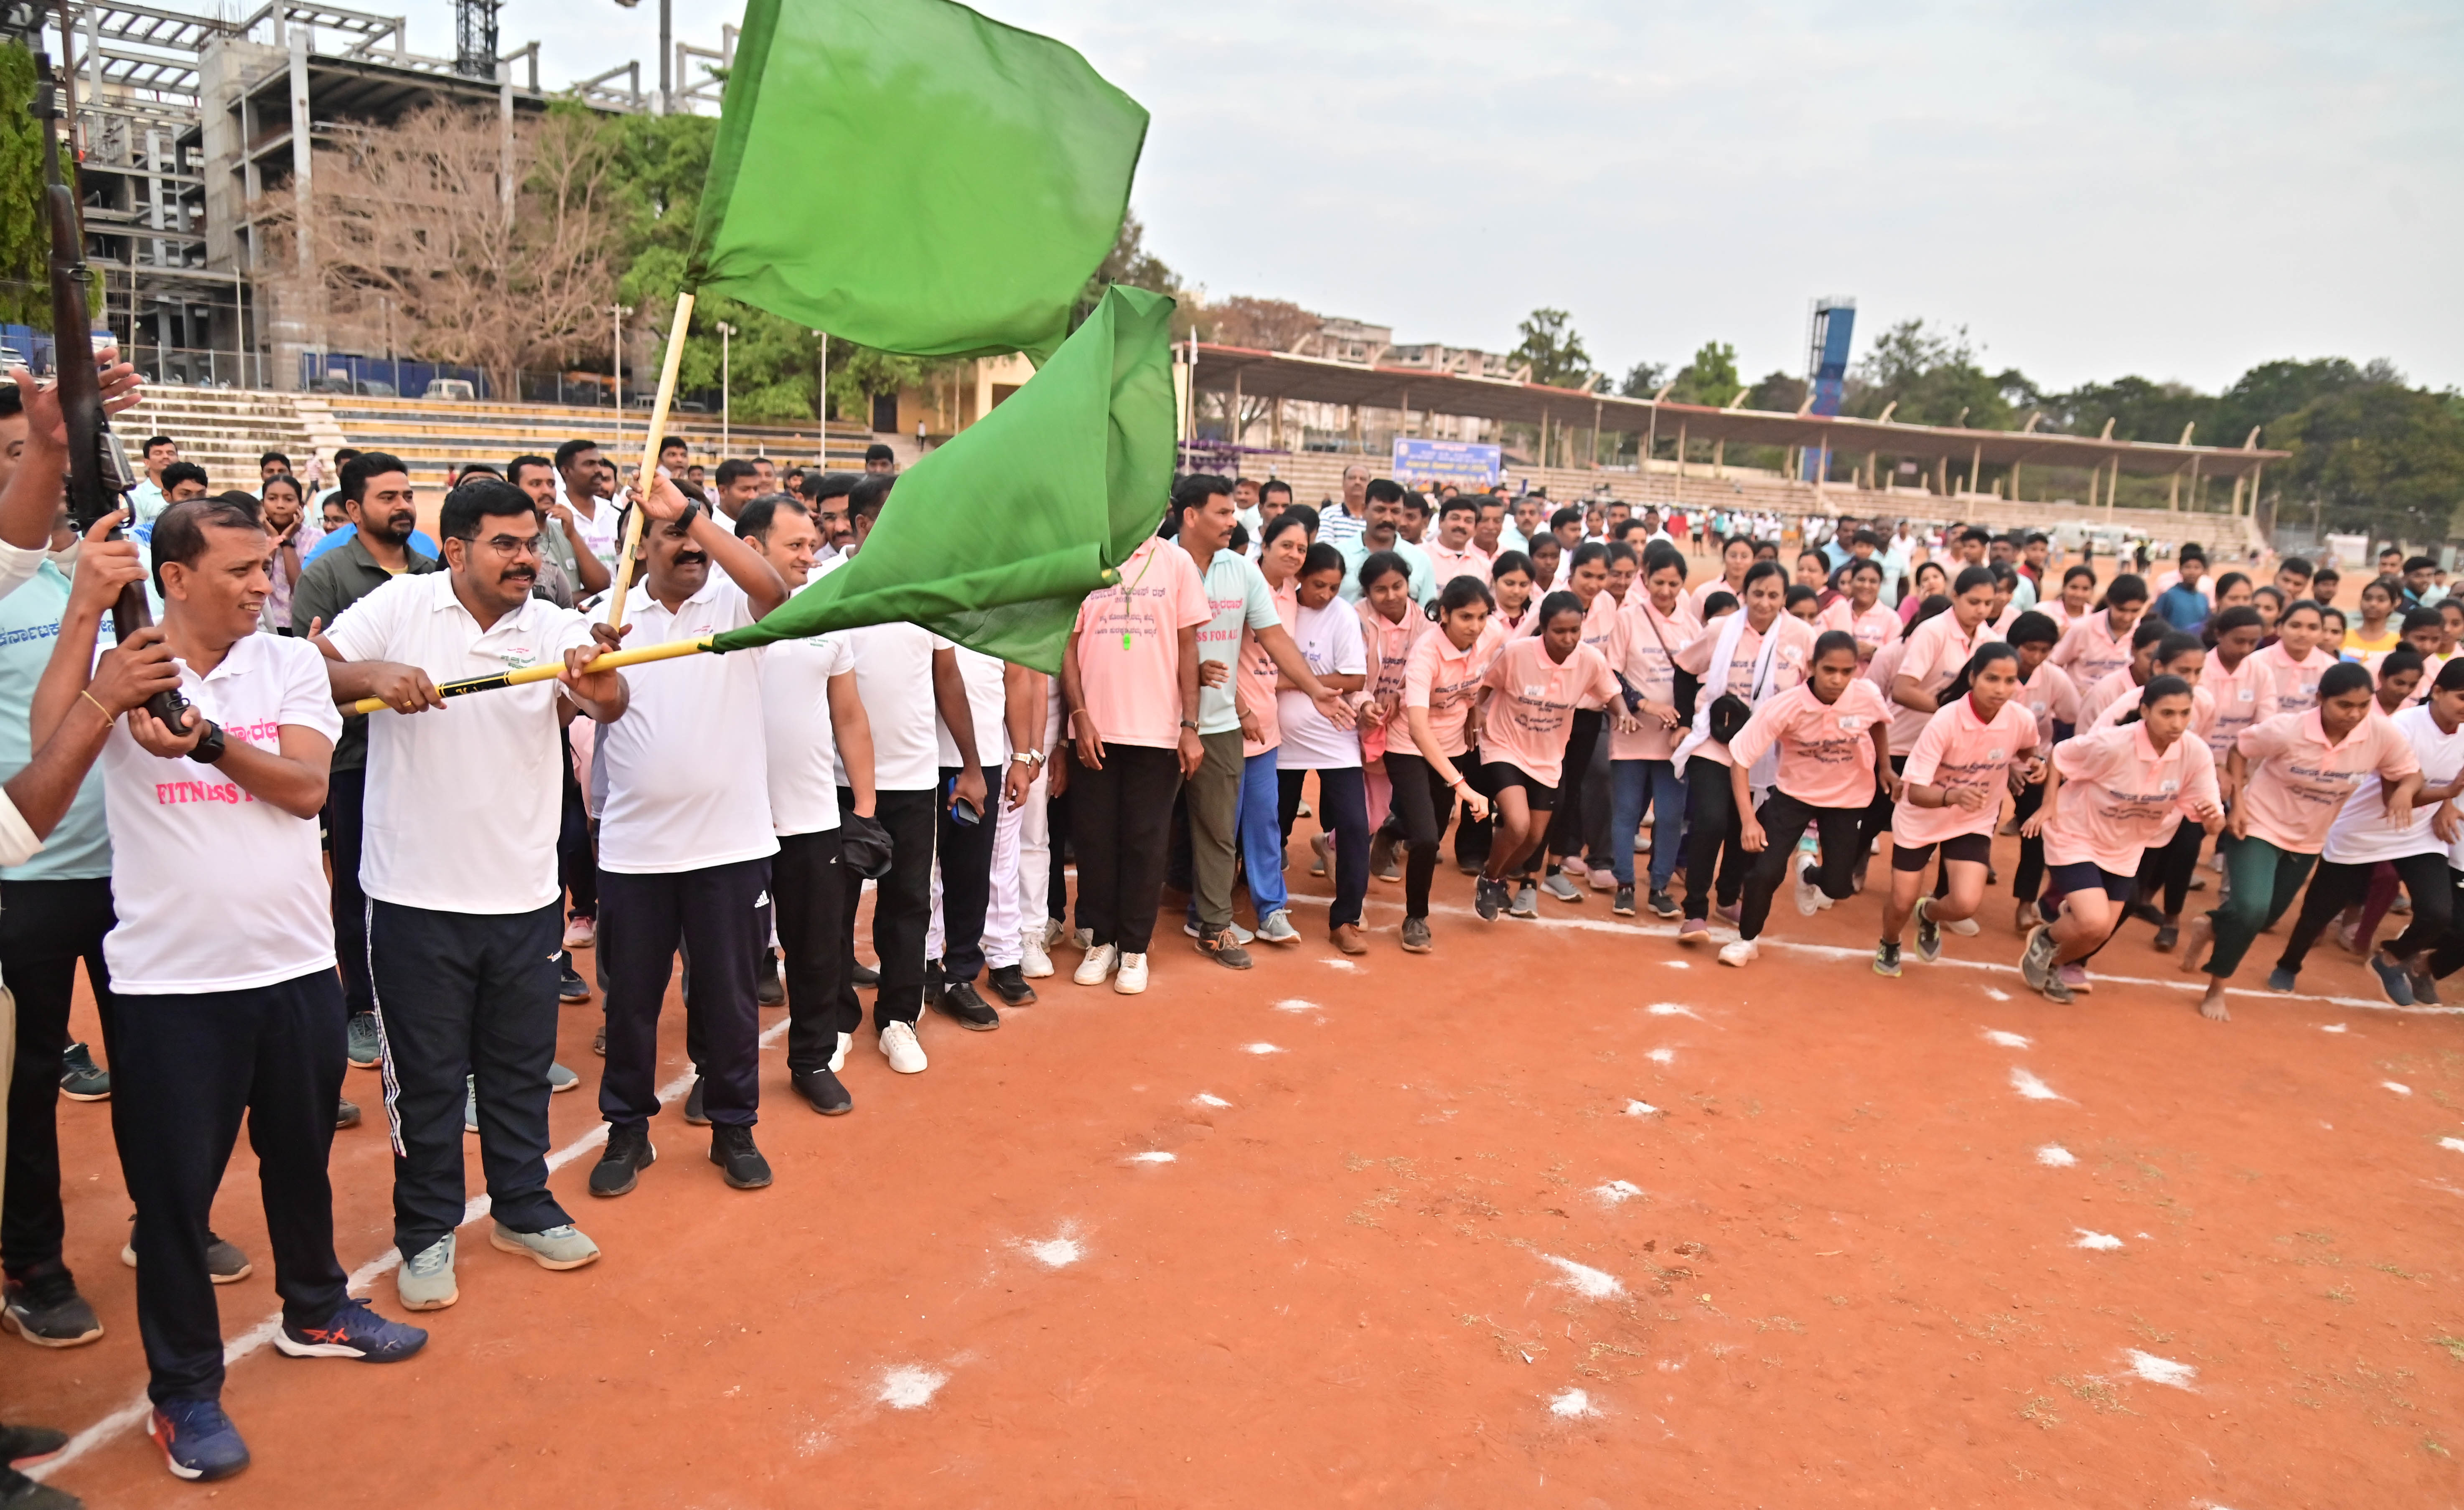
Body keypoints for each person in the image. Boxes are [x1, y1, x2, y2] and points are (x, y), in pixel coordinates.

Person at [38, 494, 430, 1481]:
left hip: (295, 967)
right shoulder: (122, 668)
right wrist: (94, 640)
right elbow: (46, 745)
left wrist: (206, 739)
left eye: (269, 565)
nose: (266, 584)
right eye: (242, 570)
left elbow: (305, 789)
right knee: (173, 1201)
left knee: (300, 1158)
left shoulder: (291, 659)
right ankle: (183, 1392)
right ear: (174, 579)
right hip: (170, 984)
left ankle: (316, 1310)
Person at [315, 476, 627, 1309]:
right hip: (413, 896)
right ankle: (425, 1231)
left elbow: (609, 697)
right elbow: (316, 668)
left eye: (531, 543)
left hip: (523, 895)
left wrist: (590, 673)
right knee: (424, 1078)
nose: (527, 558)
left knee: (518, 1069)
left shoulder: (555, 621)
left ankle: (523, 1205)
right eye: (507, 544)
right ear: (454, 549)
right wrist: (377, 671)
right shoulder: (400, 606)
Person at [586, 473, 790, 1199]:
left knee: (731, 999)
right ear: (637, 552)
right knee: (632, 1002)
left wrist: (694, 515)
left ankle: (733, 1125)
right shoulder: (603, 618)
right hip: (636, 851)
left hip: (730, 846)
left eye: (694, 533)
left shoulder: (734, 604)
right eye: (668, 534)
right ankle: (627, 1132)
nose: (687, 545)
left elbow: (775, 591)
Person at [827, 476, 986, 1066]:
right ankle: (837, 1019)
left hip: (915, 779)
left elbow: (948, 679)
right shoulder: (825, 589)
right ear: (865, 525)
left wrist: (970, 764)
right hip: (839, 783)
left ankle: (898, 1016)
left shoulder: (928, 591)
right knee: (834, 908)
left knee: (908, 904)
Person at [729, 496, 878, 1114]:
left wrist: (864, 810)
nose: (809, 554)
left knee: (818, 951)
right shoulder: (719, 618)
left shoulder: (827, 614)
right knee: (727, 960)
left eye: (810, 542)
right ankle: (721, 1069)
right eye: (794, 544)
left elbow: (849, 713)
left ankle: (812, 1059)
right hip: (730, 825)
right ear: (750, 547)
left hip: (813, 817)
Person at [292, 453, 437, 1085]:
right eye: (387, 497)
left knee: (428, 882)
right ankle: (361, 1007)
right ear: (353, 510)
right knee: (357, 887)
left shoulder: (435, 573)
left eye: (407, 495)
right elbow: (301, 681)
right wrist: (366, 689)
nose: (402, 505)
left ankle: (430, 1004)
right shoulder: (325, 575)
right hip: (354, 760)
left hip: (429, 754)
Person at [1175, 477, 1352, 965]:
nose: (1234, 521)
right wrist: (1194, 674)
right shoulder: (1158, 563)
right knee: (1151, 829)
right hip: (1159, 723)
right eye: (1223, 512)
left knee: (1223, 830)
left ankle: (1221, 923)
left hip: (1221, 728)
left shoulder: (1240, 572)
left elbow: (1274, 638)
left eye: (1235, 512)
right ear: (1190, 516)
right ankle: (1123, 934)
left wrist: (1316, 689)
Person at [2178, 663, 2417, 1020]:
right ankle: (2216, 986)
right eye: (2344, 706)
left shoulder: (2380, 734)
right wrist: (2238, 803)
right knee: (2251, 908)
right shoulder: (2287, 729)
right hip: (2258, 826)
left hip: (2307, 841)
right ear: (2320, 699)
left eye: (2363, 706)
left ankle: (2210, 927)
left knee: (2265, 916)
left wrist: (2404, 793)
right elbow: (2240, 751)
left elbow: (2410, 772)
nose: (2354, 715)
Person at [1061, 511, 1210, 994]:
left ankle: (1133, 949)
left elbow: (1187, 645)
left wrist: (1190, 725)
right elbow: (1067, 642)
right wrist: (1079, 713)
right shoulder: (1087, 558)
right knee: (1095, 838)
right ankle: (1101, 940)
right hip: (1095, 728)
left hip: (1157, 730)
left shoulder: (1177, 562)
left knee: (1145, 842)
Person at [2266, 658, 2464, 1005]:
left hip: (2417, 834)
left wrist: (2448, 804)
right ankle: (2288, 964)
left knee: (2438, 913)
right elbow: (2393, 798)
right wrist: (2447, 795)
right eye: (2463, 697)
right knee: (2319, 911)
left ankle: (2389, 959)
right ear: (2436, 692)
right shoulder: (2402, 728)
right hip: (2364, 830)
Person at [2018, 677, 2223, 1004]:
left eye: (2184, 714)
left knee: (2099, 933)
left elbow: (2212, 819)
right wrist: (2049, 805)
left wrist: (2214, 820)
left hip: (2126, 847)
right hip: (2077, 834)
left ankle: (2052, 961)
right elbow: (2060, 753)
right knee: (2092, 920)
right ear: (2144, 711)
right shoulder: (2112, 744)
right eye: (2167, 714)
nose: (2177, 723)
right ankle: (2046, 939)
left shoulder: (2195, 753)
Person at [1723, 630, 1894, 966]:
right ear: (1812, 666)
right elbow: (1740, 760)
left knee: (1837, 887)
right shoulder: (1786, 706)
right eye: (1830, 670)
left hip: (1847, 800)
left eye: (1847, 672)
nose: (1838, 680)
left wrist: (1885, 767)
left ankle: (1808, 875)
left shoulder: (1866, 695)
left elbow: (1877, 724)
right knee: (1765, 873)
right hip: (1793, 796)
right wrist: (1748, 820)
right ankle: (1747, 940)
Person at [1671, 560, 1816, 942]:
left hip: (1767, 752)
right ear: (1744, 594)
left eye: (1773, 595)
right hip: (1715, 742)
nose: (1764, 603)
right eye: (1757, 594)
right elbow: (1685, 669)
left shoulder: (1801, 635)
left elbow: (1813, 688)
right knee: (1711, 821)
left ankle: (1728, 897)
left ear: (1784, 598)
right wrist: (1687, 721)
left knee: (1745, 826)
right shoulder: (1721, 630)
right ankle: (1696, 911)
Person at [1876, 643, 2039, 975]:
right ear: (1972, 678)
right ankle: (1890, 941)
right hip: (1922, 817)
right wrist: (1953, 796)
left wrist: (2035, 764)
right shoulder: (1945, 720)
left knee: (1965, 904)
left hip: (1972, 819)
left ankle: (1930, 915)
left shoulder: (2020, 719)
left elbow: (2027, 752)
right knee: (1901, 901)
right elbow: (1915, 791)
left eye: (2009, 681)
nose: (2001, 689)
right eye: (1992, 679)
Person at [1472, 591, 1628, 920]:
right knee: (1517, 824)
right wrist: (1477, 710)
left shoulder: (1588, 660)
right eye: (1560, 631)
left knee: (1532, 840)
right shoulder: (1516, 653)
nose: (1568, 638)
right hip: (1505, 745)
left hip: (1547, 757)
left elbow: (1610, 691)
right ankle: (1489, 881)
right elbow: (1487, 682)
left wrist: (1622, 713)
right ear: (1543, 628)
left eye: (1575, 630)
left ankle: (1496, 875)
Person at [1271, 546, 1372, 951]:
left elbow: (1353, 677)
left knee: (1352, 825)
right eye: (1318, 585)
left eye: (1333, 586)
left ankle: (1345, 918)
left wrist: (1293, 679)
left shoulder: (1343, 616)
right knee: (1272, 825)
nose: (1326, 594)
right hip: (1279, 740)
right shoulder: (1277, 608)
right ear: (1299, 578)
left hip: (1335, 738)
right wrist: (1307, 680)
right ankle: (1265, 906)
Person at [1392, 577, 1498, 951]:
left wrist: (1474, 709)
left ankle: (1391, 830)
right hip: (1408, 743)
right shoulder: (1427, 653)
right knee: (1425, 839)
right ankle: (1415, 917)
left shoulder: (1490, 636)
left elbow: (1484, 679)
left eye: (1482, 616)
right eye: (1465, 617)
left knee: (1432, 829)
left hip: (1453, 742)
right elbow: (1418, 727)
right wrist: (1462, 786)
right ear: (1445, 615)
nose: (1475, 626)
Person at [1233, 512, 1312, 944]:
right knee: (1221, 826)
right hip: (1229, 725)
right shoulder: (1242, 581)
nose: (1294, 555)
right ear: (1265, 542)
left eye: (1301, 549)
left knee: (1264, 822)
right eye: (1286, 545)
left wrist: (1318, 689)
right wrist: (1239, 706)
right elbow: (1216, 654)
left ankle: (1271, 910)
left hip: (1267, 730)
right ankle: (1208, 911)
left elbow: (1279, 662)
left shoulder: (1292, 597)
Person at [1606, 542, 1694, 918]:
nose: (1666, 591)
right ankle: (1624, 884)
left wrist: (1686, 725)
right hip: (1631, 732)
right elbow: (1611, 673)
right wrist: (1644, 705)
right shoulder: (1627, 618)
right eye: (1659, 582)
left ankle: (1659, 886)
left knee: (1671, 816)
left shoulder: (1692, 626)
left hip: (1673, 740)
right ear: (1645, 580)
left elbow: (1699, 682)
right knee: (1626, 812)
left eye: (1674, 584)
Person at [2005, 611, 2078, 931]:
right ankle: (1946, 893)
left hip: (2034, 764)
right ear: (2013, 644)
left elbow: (2069, 721)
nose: (2035, 657)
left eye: (2044, 650)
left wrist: (2048, 764)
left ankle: (2025, 903)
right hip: (1985, 762)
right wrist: (2006, 766)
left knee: (2035, 834)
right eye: (2029, 648)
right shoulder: (1994, 669)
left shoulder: (2055, 678)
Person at [1335, 480, 1435, 607]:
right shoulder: (1338, 556)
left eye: (1395, 512)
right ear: (1364, 510)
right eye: (1380, 510)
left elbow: (1429, 614)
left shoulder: (1420, 560)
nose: (1388, 518)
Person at [2048, 573, 2150, 692]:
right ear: (2109, 602)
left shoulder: (2143, 633)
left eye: (2135, 611)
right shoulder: (2083, 628)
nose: (2127, 618)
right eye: (2121, 610)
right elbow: (2055, 664)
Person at [256, 474, 318, 634]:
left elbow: (300, 589)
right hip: (263, 624)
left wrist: (286, 541)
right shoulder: (253, 537)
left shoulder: (315, 538)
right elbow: (257, 578)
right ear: (263, 504)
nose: (280, 505)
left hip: (303, 624)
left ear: (301, 506)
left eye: (289, 499)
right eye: (272, 499)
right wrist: (274, 540)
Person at [1820, 557, 1895, 666]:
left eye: (1873, 582)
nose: (1866, 586)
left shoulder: (1891, 619)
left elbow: (1896, 658)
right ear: (1852, 582)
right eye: (1861, 580)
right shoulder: (1837, 610)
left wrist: (1873, 652)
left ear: (1880, 585)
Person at [1423, 495, 1489, 590]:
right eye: (1455, 518)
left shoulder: (1484, 566)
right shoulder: (1419, 556)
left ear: (1475, 529)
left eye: (1468, 521)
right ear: (1441, 522)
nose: (1461, 525)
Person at [2343, 577, 2403, 661]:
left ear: (2393, 606)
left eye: (2381, 600)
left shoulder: (2398, 643)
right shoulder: (2343, 637)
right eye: (2368, 599)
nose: (2373, 604)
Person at [1319, 463, 1373, 549]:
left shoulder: (1375, 518)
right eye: (1352, 478)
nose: (1357, 482)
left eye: (1363, 479)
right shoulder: (1328, 515)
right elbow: (1325, 550)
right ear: (1343, 483)